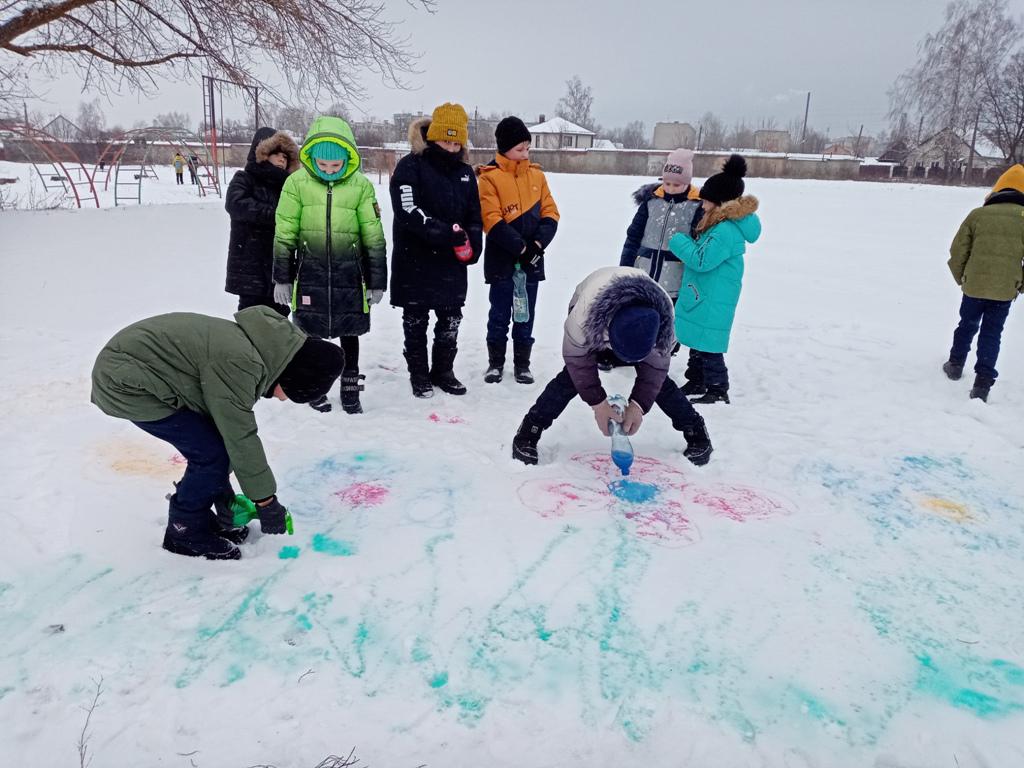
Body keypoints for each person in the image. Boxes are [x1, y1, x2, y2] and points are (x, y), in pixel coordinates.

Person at [90, 307, 344, 560]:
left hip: (141, 370)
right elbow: (239, 436)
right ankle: (184, 531)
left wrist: (224, 497)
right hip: (127, 384)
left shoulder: (261, 348)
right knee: (210, 455)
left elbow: (223, 428)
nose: (283, 400)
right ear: (291, 379)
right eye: (290, 395)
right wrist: (266, 502)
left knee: (213, 449)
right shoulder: (241, 363)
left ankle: (201, 518)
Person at [511, 266, 712, 467]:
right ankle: (530, 430)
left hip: (636, 317)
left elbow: (655, 373)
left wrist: (638, 406)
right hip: (594, 306)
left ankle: (696, 430)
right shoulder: (584, 317)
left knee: (660, 384)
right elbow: (577, 362)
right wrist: (598, 404)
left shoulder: (666, 324)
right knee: (572, 378)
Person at [272, 115, 387, 414]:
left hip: (350, 275)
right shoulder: (296, 184)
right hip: (310, 274)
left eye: (335, 166)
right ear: (312, 158)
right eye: (323, 166)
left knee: (350, 334)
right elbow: (284, 232)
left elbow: (374, 235)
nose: (329, 171)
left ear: (347, 159)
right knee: (311, 337)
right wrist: (282, 277)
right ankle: (315, 388)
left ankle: (350, 387)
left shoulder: (361, 186)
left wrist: (377, 281)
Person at [388, 103, 483, 398]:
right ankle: (419, 374)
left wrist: (473, 243)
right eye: (446, 141)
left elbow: (474, 215)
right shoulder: (410, 165)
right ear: (432, 138)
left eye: (457, 143)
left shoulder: (466, 173)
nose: (451, 148)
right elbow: (407, 210)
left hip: (451, 264)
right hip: (414, 260)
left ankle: (443, 370)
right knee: (416, 320)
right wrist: (443, 234)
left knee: (451, 319)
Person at [668, 154, 760, 405]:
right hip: (706, 293)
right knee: (698, 339)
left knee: (709, 345)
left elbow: (701, 260)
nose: (702, 204)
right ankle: (696, 379)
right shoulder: (718, 224)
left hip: (715, 296)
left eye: (707, 200)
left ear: (719, 202)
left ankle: (718, 388)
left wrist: (678, 241)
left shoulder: (725, 231)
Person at [477, 116, 560, 384]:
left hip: (531, 262)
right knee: (499, 314)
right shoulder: (490, 179)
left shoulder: (537, 175)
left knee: (525, 314)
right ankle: (495, 363)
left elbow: (551, 213)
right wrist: (521, 247)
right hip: (503, 261)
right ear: (504, 148)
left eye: (527, 147)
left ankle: (522, 364)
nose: (525, 153)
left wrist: (536, 245)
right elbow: (491, 219)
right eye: (519, 149)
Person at [942, 164, 1024, 402]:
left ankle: (955, 364)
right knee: (992, 333)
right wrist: (1020, 283)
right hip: (1004, 289)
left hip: (974, 285)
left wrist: (962, 277)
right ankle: (982, 383)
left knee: (966, 324)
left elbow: (957, 251)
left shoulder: (978, 215)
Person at [225, 127, 300, 317]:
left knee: (279, 319)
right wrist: (277, 215)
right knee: (251, 320)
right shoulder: (245, 178)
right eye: (277, 154)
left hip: (279, 268)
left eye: (286, 156)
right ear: (263, 153)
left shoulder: (288, 188)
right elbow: (236, 204)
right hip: (249, 266)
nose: (282, 159)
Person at [619, 148, 703, 302]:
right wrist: (625, 268)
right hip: (642, 277)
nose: (670, 188)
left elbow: (698, 247)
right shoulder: (651, 201)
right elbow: (633, 237)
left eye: (677, 185)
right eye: (667, 183)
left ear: (687, 182)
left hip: (675, 284)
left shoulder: (696, 207)